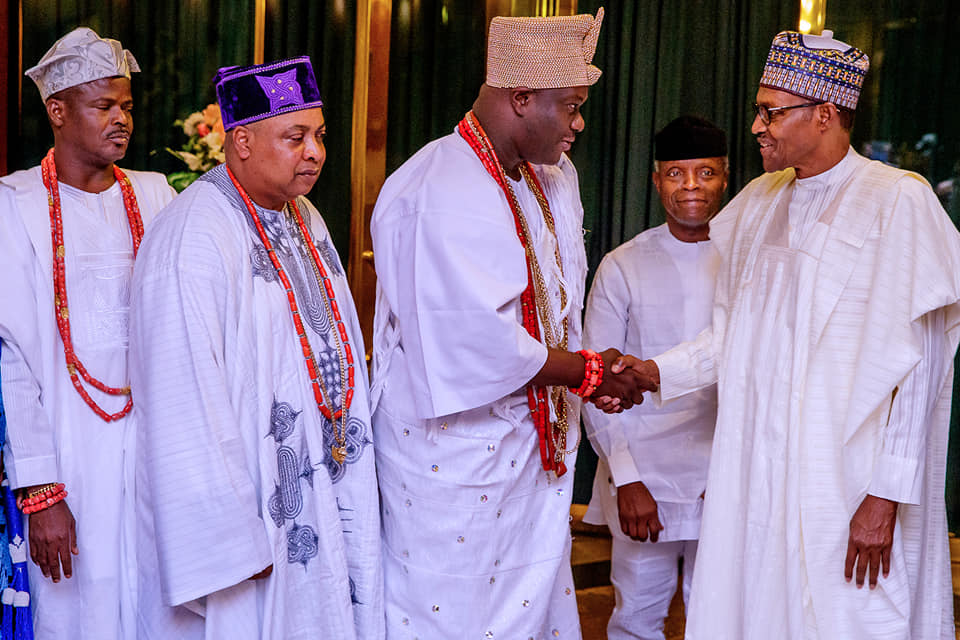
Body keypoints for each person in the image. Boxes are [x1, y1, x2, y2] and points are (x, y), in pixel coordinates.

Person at [624, 30, 960, 639]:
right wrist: (652, 374)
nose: (757, 126)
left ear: (826, 114)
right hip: (760, 472)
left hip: (847, 482)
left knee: (850, 618)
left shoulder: (897, 201)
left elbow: (922, 366)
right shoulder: (758, 200)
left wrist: (884, 496)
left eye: (772, 113)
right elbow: (733, 337)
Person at [370, 8, 650, 638]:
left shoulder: (551, 178)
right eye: (571, 106)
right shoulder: (441, 186)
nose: (579, 124)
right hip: (452, 458)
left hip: (524, 450)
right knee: (450, 616)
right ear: (521, 97)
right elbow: (473, 341)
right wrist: (587, 371)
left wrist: (582, 372)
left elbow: (556, 304)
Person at [129, 57, 383, 639]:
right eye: (295, 137)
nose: (315, 152)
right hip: (254, 517)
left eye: (319, 136)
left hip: (322, 480)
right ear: (240, 142)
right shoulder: (193, 234)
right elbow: (181, 397)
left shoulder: (305, 216)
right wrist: (229, 540)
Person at [0, 27, 174, 639]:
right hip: (69, 454)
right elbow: (12, 359)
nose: (121, 119)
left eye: (127, 105)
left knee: (157, 598)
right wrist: (41, 488)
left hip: (151, 446)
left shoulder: (155, 196)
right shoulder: (13, 205)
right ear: (58, 111)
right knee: (76, 609)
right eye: (104, 106)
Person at [581, 116, 727, 640]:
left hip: (723, 475)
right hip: (644, 476)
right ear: (656, 179)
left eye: (705, 172)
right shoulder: (623, 265)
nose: (691, 187)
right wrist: (627, 478)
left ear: (726, 177)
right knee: (636, 618)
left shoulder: (746, 262)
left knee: (719, 618)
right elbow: (596, 380)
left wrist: (737, 472)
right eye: (676, 174)